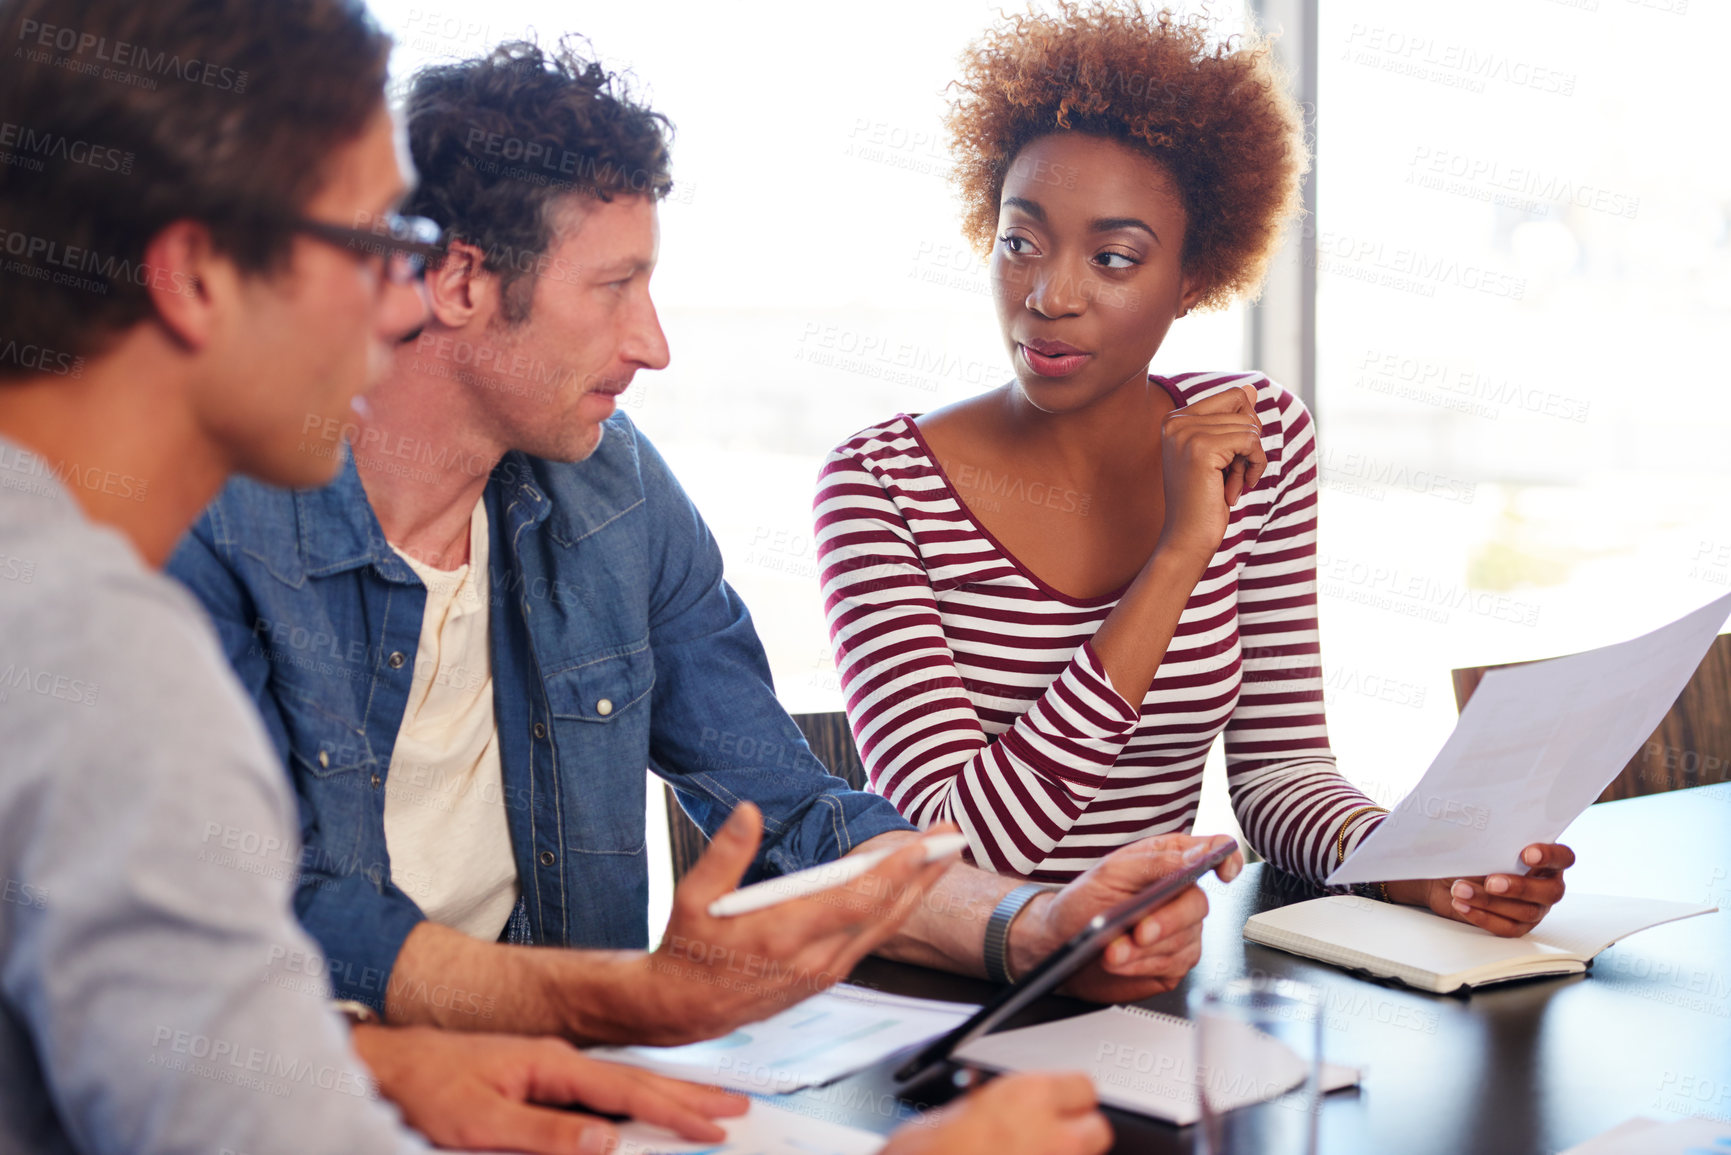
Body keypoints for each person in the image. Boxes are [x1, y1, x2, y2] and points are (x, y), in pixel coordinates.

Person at [166, 36, 1242, 1053]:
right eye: (614, 286)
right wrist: (626, 995)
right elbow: (251, 919)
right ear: (458, 283)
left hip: (564, 1092)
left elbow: (793, 810)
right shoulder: (214, 519)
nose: (654, 342)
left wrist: (1028, 925)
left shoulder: (614, 493)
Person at [0, 0, 759, 1151]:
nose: (405, 303)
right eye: (372, 247)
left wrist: (374, 1059)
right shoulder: (100, 654)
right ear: (200, 276)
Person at [813, 2, 1573, 938]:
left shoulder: (1255, 437)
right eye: (1021, 241)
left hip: (1156, 983)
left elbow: (1278, 776)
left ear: (1192, 277)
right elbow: (960, 856)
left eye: (1113, 257)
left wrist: (1415, 867)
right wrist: (1176, 557)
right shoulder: (878, 487)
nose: (1050, 296)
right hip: (947, 997)